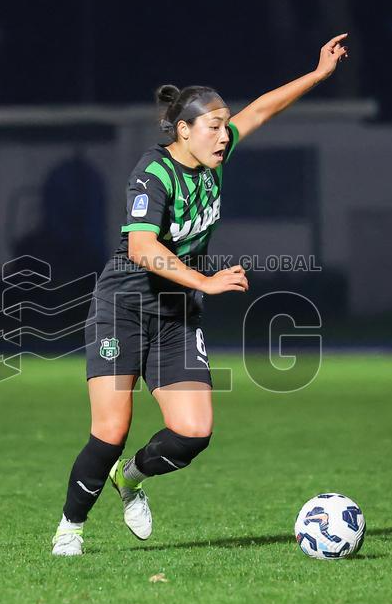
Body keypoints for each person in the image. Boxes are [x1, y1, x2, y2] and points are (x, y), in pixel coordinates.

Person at [50, 34, 349, 556]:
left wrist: (318, 75)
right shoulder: (154, 172)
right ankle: (70, 529)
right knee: (110, 429)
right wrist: (207, 281)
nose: (223, 136)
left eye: (223, 126)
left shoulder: (213, 159)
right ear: (183, 130)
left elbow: (262, 109)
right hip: (122, 310)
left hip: (175, 315)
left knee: (193, 432)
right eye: (213, 127)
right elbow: (142, 247)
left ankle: (132, 479)